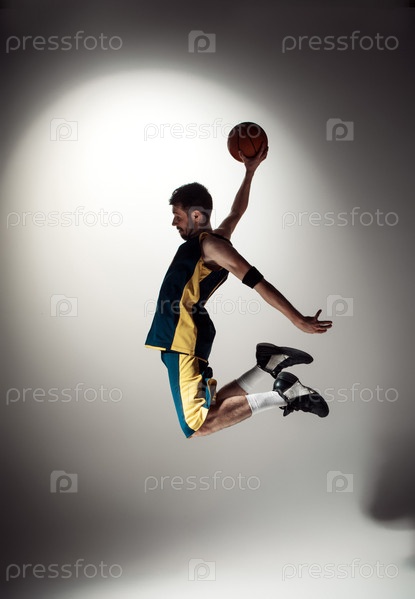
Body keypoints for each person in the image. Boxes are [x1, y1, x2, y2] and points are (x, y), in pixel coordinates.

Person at [145, 144, 332, 438]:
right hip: (183, 335)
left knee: (198, 424)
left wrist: (297, 319)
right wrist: (249, 171)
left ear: (196, 215)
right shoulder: (214, 239)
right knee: (210, 407)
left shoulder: (212, 246)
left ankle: (287, 394)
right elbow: (236, 211)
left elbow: (259, 282)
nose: (174, 222)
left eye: (177, 216)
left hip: (182, 336)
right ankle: (268, 364)